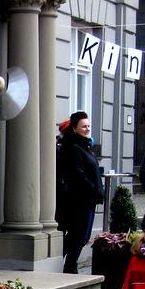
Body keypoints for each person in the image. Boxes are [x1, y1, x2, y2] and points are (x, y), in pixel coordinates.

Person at [57, 111, 102, 274]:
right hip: (80, 200)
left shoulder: (85, 146)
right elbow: (78, 174)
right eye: (83, 126)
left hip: (89, 199)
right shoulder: (75, 148)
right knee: (78, 236)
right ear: (74, 129)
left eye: (88, 126)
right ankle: (69, 265)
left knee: (81, 236)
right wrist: (94, 188)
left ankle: (70, 264)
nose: (87, 129)